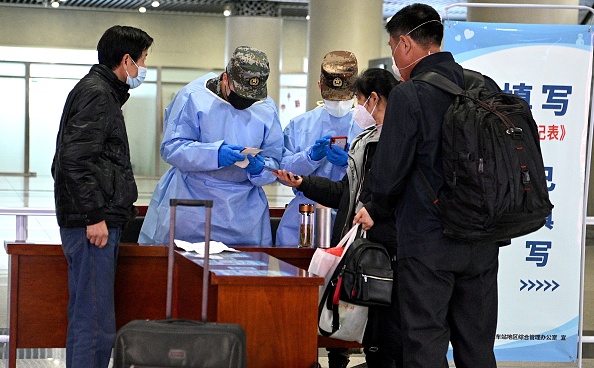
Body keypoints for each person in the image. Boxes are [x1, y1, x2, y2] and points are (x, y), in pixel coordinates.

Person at [353, 4, 502, 368]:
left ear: (405, 43)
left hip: (427, 241)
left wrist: (374, 207)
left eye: (392, 46)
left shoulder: (409, 94)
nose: (393, 56)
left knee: (425, 343)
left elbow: (390, 172)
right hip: (482, 239)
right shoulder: (483, 85)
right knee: (477, 346)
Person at [274, 68, 401, 368]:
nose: (355, 108)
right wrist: (305, 174)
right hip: (316, 220)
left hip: (376, 237)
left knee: (363, 308)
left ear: (371, 99)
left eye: (356, 99)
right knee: (314, 301)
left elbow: (390, 190)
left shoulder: (397, 140)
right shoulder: (303, 124)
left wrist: (355, 174)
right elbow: (344, 190)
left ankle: (344, 353)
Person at [51, 25, 153, 368]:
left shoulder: (102, 92)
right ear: (126, 60)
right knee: (94, 325)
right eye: (143, 60)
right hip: (91, 224)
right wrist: (94, 217)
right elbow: (73, 161)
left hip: (95, 220)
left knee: (94, 321)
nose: (143, 68)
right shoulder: (97, 93)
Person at [138, 46, 283, 246]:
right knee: (185, 270)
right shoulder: (193, 97)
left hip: (243, 214)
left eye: (251, 98)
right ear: (225, 78)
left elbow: (275, 160)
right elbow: (172, 147)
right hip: (192, 206)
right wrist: (215, 154)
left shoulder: (266, 108)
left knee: (241, 273)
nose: (245, 101)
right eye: (240, 94)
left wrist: (261, 168)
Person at [275, 50, 364, 247]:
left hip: (347, 216)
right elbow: (283, 170)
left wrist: (349, 163)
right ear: (320, 86)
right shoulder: (300, 125)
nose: (338, 104)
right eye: (333, 98)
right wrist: (309, 158)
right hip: (302, 216)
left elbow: (376, 177)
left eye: (342, 98)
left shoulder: (366, 127)